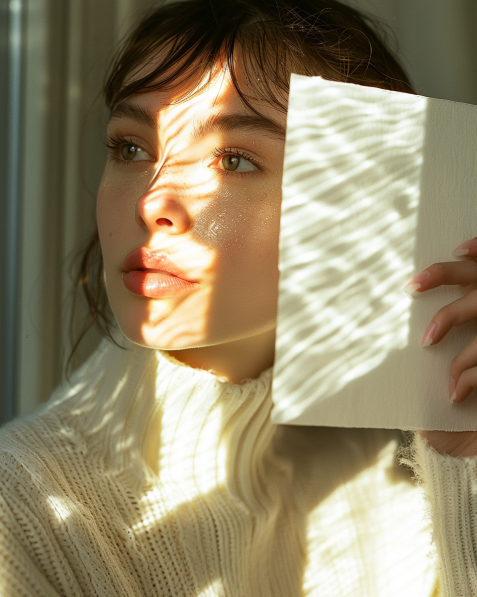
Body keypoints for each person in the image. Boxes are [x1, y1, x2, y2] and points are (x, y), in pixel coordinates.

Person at [1, 0, 477, 594]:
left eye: (234, 160)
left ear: (364, 211)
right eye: (131, 148)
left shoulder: (412, 473)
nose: (151, 203)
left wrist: (465, 462)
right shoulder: (21, 510)